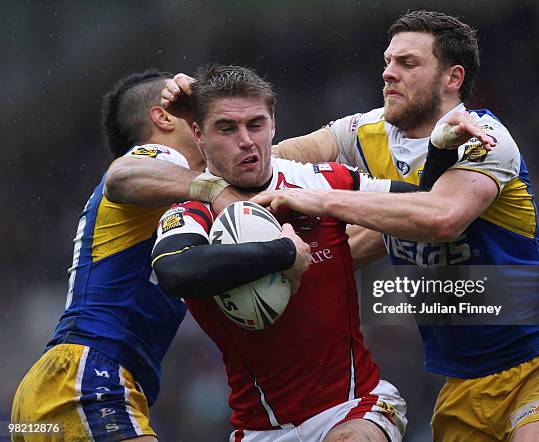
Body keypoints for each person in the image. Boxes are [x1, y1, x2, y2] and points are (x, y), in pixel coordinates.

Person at [247, 10, 539, 442]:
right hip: (461, 383)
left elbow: (442, 218)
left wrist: (322, 198)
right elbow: (277, 161)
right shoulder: (365, 132)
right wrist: (217, 157)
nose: (388, 73)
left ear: (452, 77)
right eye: (388, 61)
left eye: (408, 63)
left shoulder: (486, 136)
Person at [151, 63, 469, 442]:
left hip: (355, 406)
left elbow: (418, 206)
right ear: (199, 136)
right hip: (258, 430)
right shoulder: (191, 212)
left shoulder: (321, 179)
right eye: (226, 128)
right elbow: (174, 272)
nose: (246, 140)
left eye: (255, 124)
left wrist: (438, 154)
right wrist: (282, 254)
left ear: (273, 125)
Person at [10, 69, 218, 441]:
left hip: (65, 384)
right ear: (163, 117)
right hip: (88, 377)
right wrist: (217, 187)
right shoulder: (160, 157)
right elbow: (121, 175)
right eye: (196, 111)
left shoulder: (181, 197)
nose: (208, 122)